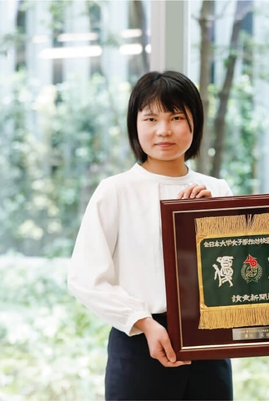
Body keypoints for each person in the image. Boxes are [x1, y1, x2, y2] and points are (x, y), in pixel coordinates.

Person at [68, 70, 234, 401]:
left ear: (195, 123)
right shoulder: (115, 191)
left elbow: (234, 275)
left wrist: (210, 220)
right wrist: (144, 322)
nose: (164, 130)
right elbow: (85, 278)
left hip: (208, 343)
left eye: (176, 118)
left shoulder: (216, 190)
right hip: (139, 343)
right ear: (135, 125)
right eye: (151, 118)